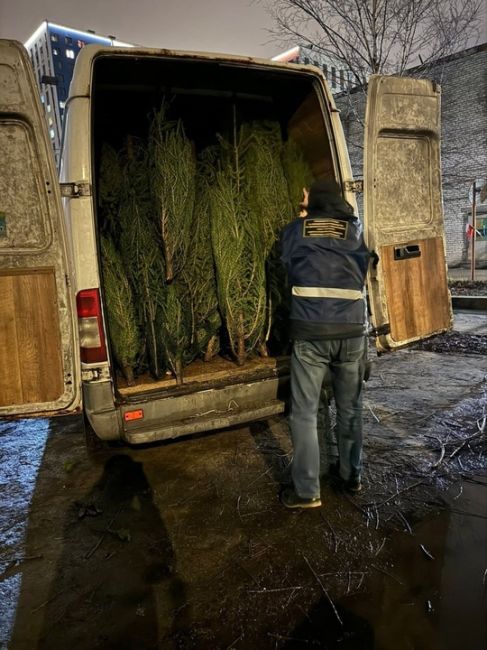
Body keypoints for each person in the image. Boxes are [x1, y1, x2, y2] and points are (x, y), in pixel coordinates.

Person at [279, 179, 370, 509]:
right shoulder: (356, 232)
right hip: (352, 334)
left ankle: (307, 492)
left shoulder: (296, 230)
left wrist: (303, 216)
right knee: (351, 409)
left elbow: (287, 267)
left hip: (311, 334)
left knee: (304, 413)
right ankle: (351, 477)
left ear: (311, 202)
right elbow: (363, 271)